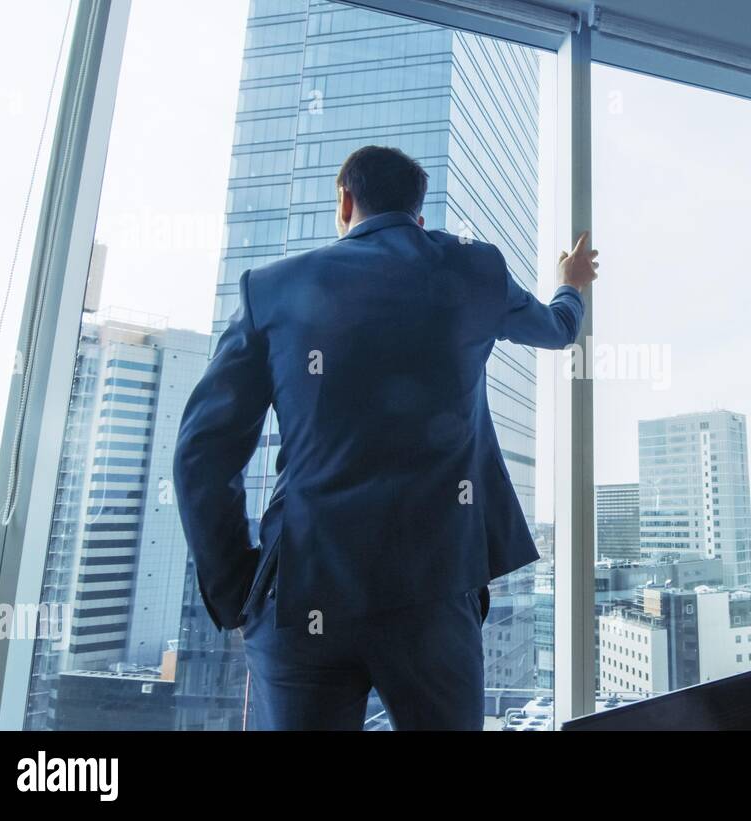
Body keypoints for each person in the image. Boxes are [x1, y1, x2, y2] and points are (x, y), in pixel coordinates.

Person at [173, 144, 597, 730]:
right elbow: (557, 329)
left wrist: (236, 589)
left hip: (304, 588)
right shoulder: (474, 270)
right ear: (419, 216)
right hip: (435, 591)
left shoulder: (272, 288)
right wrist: (570, 283)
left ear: (345, 200)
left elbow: (202, 451)